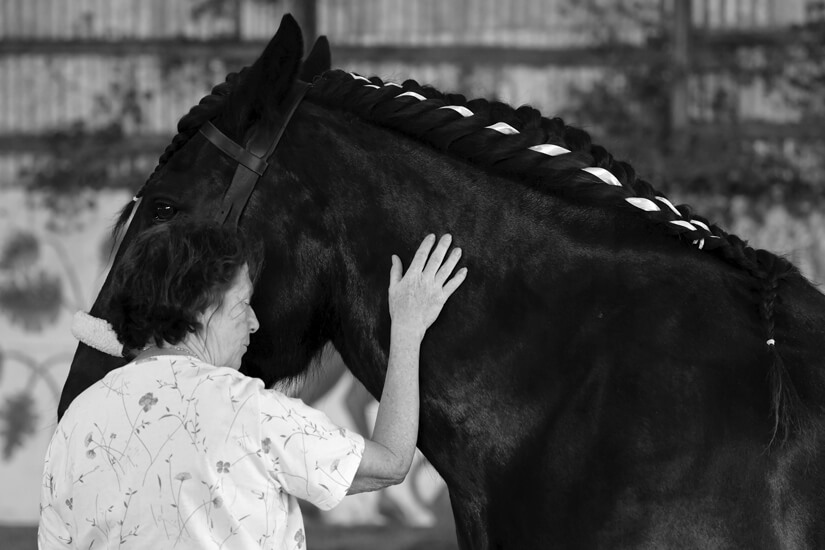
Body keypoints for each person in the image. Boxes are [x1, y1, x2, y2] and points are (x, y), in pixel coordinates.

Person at [38, 219, 467, 549]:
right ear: (202, 309)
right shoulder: (245, 409)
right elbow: (390, 461)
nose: (254, 322)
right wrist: (408, 329)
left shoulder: (77, 419)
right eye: (242, 304)